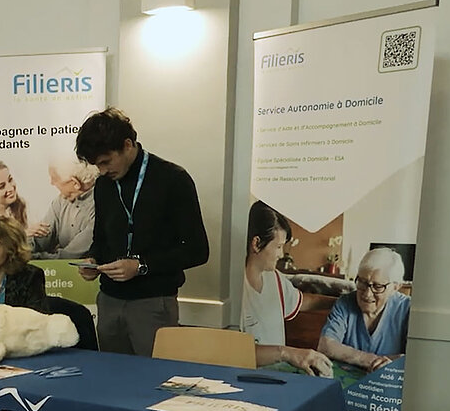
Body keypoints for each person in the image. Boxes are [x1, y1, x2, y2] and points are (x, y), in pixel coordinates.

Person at [75, 108, 209, 357]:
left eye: (106, 162)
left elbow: (197, 251)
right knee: (112, 376)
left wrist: (141, 266)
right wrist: (92, 260)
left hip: (153, 303)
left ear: (127, 145)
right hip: (109, 301)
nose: (102, 171)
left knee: (156, 377)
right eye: (97, 165)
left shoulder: (173, 179)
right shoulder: (104, 185)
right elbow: (101, 240)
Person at [241, 201, 333, 377]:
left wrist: (341, 302)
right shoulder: (234, 289)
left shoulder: (275, 279)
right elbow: (232, 351)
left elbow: (305, 302)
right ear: (256, 243)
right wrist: (288, 353)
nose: (281, 254)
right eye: (278, 247)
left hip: (276, 377)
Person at [318, 248, 411, 371]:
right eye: (362, 282)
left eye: (378, 286)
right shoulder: (345, 302)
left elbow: (415, 357)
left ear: (395, 287)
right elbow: (326, 345)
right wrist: (372, 361)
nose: (367, 294)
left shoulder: (407, 309)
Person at [31, 157, 98, 259]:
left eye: (54, 178)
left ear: (75, 183)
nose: (51, 182)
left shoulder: (100, 206)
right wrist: (22, 251)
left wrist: (29, 257)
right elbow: (40, 238)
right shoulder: (61, 201)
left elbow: (70, 256)